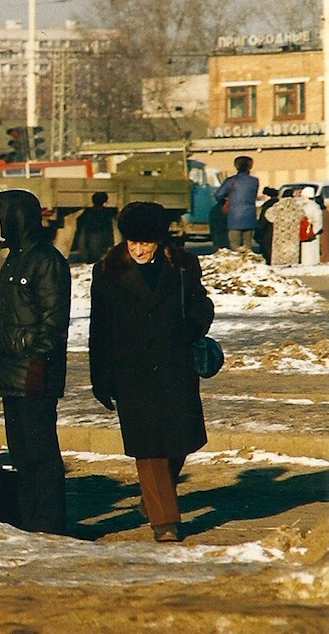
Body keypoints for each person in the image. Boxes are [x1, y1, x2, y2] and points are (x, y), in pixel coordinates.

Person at [89, 202, 215, 543]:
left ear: (160, 240)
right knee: (149, 448)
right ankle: (165, 521)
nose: (139, 249)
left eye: (146, 242)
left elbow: (202, 303)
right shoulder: (107, 270)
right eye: (132, 242)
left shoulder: (184, 265)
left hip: (175, 367)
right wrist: (99, 376)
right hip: (131, 371)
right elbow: (98, 327)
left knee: (180, 441)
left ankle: (153, 498)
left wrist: (192, 326)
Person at [0, 189, 71, 535]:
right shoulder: (15, 260)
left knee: (40, 454)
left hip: (35, 372)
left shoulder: (47, 262)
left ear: (14, 219)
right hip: (12, 371)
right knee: (21, 453)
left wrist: (32, 358)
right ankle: (30, 521)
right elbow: (8, 319)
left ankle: (48, 523)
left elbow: (53, 324)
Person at [214, 156, 259, 251]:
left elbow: (218, 195)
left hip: (234, 218)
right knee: (247, 247)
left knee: (235, 246)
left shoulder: (231, 181)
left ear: (236, 166)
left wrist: (225, 200)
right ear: (250, 166)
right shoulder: (254, 181)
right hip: (250, 218)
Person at [73, 191, 116, 264]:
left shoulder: (87, 212)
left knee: (91, 259)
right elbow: (109, 229)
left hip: (88, 239)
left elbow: (79, 223)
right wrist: (111, 243)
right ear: (104, 201)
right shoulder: (105, 213)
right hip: (101, 239)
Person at [264, 193, 305, 266]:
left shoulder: (277, 206)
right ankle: (292, 261)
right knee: (291, 248)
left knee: (280, 248)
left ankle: (279, 262)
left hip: (280, 232)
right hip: (293, 233)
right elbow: (302, 216)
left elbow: (268, 216)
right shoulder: (297, 206)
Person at [298, 187, 323, 266]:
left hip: (311, 233)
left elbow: (317, 221)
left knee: (310, 252)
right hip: (306, 232)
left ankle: (311, 264)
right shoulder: (304, 205)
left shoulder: (313, 206)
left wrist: (313, 232)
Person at [255, 187, 280, 264]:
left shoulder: (267, 206)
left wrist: (258, 235)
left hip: (268, 233)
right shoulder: (280, 205)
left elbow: (262, 222)